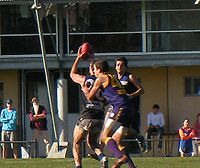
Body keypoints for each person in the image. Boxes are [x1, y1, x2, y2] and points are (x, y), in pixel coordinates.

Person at [82, 58, 137, 168]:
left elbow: (89, 97)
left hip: (119, 107)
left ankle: (120, 156)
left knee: (104, 136)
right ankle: (131, 166)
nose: (94, 72)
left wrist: (84, 89)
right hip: (129, 107)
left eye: (94, 69)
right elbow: (111, 94)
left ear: (98, 69)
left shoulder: (101, 78)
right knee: (116, 139)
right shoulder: (112, 77)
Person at [70, 48, 108, 168]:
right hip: (100, 117)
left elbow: (72, 74)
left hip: (87, 116)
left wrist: (77, 58)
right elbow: (107, 100)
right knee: (92, 142)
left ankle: (78, 166)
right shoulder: (105, 81)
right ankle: (102, 156)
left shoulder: (85, 79)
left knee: (76, 142)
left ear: (92, 69)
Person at [114, 57, 145, 152]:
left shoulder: (130, 77)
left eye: (122, 65)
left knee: (127, 129)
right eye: (118, 65)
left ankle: (136, 145)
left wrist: (131, 96)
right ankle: (137, 137)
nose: (119, 67)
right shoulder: (114, 78)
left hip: (132, 108)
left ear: (125, 67)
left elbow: (141, 90)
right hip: (120, 108)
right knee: (123, 130)